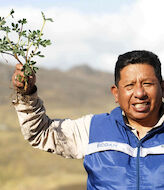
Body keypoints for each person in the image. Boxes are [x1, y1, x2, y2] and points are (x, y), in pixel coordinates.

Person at [12, 50, 164, 189]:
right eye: (129, 85)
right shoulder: (94, 129)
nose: (139, 93)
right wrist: (27, 94)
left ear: (162, 88)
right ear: (116, 93)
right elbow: (41, 132)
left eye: (147, 83)